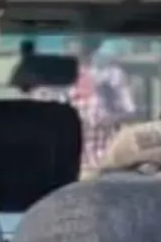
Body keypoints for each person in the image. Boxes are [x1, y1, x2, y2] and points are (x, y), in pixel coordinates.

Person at [32, 36, 137, 170]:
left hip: (103, 163)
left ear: (93, 49)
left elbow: (129, 112)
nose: (75, 48)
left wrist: (107, 118)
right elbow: (38, 114)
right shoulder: (52, 81)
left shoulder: (111, 75)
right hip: (62, 165)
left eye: (81, 43)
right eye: (71, 43)